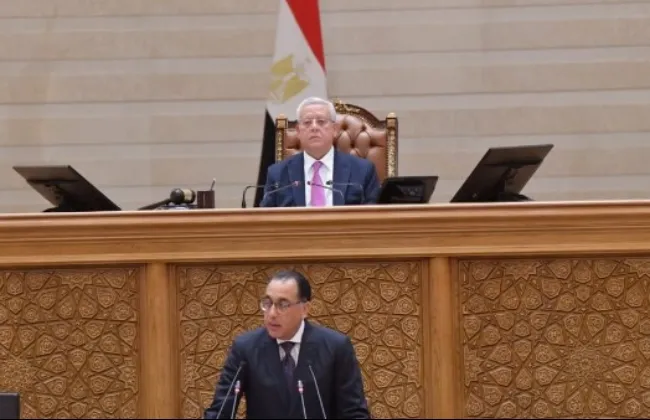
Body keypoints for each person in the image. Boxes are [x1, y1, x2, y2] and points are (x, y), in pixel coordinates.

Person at [204, 270, 370, 419]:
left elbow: (354, 412)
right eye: (268, 303)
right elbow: (220, 411)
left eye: (283, 305)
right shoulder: (245, 348)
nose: (272, 313)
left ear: (305, 309)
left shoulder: (335, 347)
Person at [260, 97, 381, 207]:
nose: (314, 127)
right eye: (307, 122)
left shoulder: (363, 171)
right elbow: (266, 218)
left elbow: (374, 217)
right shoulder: (277, 174)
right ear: (298, 131)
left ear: (335, 130)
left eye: (321, 121)